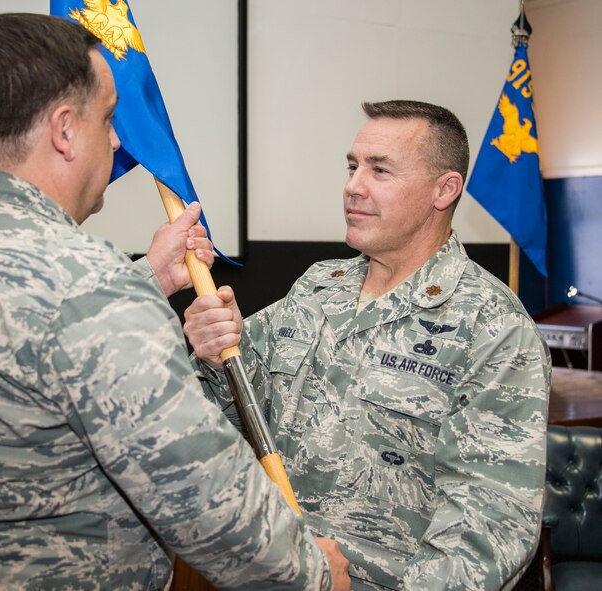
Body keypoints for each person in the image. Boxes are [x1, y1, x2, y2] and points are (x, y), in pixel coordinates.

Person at [0, 13, 351, 591]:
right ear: (64, 130)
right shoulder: (88, 286)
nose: (115, 139)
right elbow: (203, 497)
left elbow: (17, 342)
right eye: (107, 118)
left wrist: (147, 280)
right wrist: (312, 572)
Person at [183, 100, 550, 590]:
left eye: (380, 170)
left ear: (444, 190)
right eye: (353, 166)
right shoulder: (318, 288)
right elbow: (231, 417)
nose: (354, 185)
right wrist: (213, 353)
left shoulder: (494, 328)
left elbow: (490, 536)